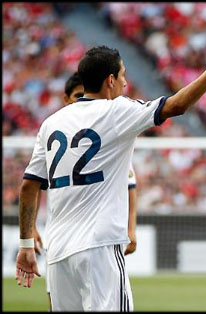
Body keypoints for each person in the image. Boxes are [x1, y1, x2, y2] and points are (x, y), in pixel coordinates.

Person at [16, 27, 206, 311]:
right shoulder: (117, 111)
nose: (126, 83)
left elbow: (28, 185)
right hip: (98, 248)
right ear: (110, 80)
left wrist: (24, 244)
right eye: (123, 76)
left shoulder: (51, 123)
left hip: (58, 254)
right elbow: (177, 105)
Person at [31, 72, 140, 311]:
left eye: (84, 94)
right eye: (77, 95)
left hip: (75, 241)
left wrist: (131, 228)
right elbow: (32, 184)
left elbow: (129, 184)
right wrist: (29, 230)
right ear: (66, 98)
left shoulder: (104, 136)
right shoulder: (58, 131)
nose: (82, 98)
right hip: (73, 241)